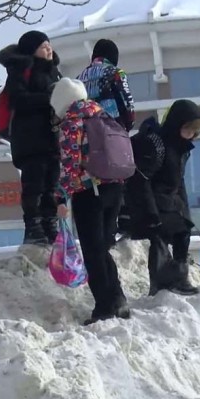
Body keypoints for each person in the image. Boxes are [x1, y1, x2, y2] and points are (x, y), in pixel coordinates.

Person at [50, 78, 130, 325]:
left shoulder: (72, 123)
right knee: (102, 248)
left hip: (89, 192)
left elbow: (70, 165)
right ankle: (118, 298)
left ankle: (104, 307)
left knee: (93, 251)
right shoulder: (103, 116)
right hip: (114, 188)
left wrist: (60, 197)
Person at [125, 99, 200, 296]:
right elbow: (141, 180)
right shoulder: (156, 145)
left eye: (194, 131)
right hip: (149, 201)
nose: (191, 135)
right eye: (187, 129)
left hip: (168, 201)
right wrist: (150, 214)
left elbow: (179, 181)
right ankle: (167, 283)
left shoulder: (181, 148)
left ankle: (176, 279)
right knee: (161, 236)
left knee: (181, 233)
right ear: (176, 124)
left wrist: (184, 210)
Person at [0, 30, 62, 245]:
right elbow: (19, 100)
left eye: (49, 44)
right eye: (43, 46)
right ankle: (33, 226)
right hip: (30, 140)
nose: (49, 49)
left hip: (52, 138)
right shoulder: (20, 69)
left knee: (52, 185)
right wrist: (49, 98)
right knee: (34, 184)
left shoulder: (54, 72)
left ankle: (50, 224)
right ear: (32, 50)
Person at [76, 39, 135, 248]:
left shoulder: (79, 78)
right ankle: (115, 230)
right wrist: (126, 126)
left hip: (87, 139)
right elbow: (127, 105)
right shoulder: (115, 73)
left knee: (95, 187)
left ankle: (100, 236)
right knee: (116, 181)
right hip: (112, 133)